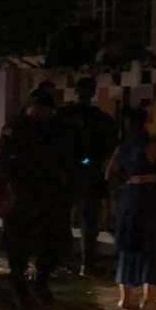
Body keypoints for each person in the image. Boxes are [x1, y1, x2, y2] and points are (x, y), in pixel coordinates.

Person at [0, 88, 71, 310]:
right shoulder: (16, 127)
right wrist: (3, 196)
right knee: (19, 243)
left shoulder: (55, 128)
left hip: (51, 191)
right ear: (30, 107)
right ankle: (18, 286)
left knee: (57, 240)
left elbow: (64, 159)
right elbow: (1, 164)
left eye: (46, 110)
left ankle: (39, 279)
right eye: (39, 109)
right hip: (22, 190)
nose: (42, 113)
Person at [106, 108, 156, 310]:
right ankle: (149, 300)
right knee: (152, 247)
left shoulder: (122, 148)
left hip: (129, 198)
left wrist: (124, 185)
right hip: (150, 199)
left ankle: (125, 298)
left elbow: (109, 174)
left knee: (128, 246)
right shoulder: (152, 145)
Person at [56, 77, 118, 276]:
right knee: (86, 219)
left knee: (69, 217)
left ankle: (69, 260)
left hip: (71, 171)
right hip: (86, 171)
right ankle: (84, 262)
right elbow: (110, 146)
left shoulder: (66, 115)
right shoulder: (100, 118)